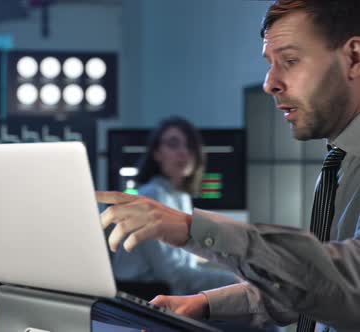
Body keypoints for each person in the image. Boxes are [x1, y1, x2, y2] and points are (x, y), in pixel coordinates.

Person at [97, 1, 360, 331]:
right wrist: (205, 303)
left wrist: (194, 229)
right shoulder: (339, 164)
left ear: (354, 57)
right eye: (271, 64)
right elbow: (314, 288)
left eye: (290, 61)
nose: (269, 83)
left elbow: (351, 283)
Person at [111, 116, 236, 295]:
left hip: (168, 295)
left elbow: (185, 266)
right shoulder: (152, 195)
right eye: (173, 144)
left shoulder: (181, 196)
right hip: (143, 298)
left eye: (189, 146)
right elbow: (172, 275)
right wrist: (234, 282)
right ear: (157, 153)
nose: (183, 152)